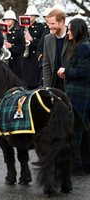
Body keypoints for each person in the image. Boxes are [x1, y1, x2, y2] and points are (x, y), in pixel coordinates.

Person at [57, 18, 90, 175]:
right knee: (82, 132)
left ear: (77, 30)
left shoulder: (83, 48)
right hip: (79, 94)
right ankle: (84, 165)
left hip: (79, 96)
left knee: (76, 132)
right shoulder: (81, 46)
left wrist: (65, 72)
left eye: (70, 29)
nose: (68, 32)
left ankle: (75, 167)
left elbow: (84, 72)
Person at [42, 8, 72, 91]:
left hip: (70, 84)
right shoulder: (47, 38)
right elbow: (46, 64)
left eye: (52, 23)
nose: (50, 27)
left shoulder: (72, 36)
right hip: (55, 85)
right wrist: (46, 88)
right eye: (48, 24)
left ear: (61, 22)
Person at [21, 5, 45, 89]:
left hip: (34, 59)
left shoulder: (40, 27)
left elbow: (42, 43)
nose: (29, 17)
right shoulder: (22, 28)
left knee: (34, 83)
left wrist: (32, 39)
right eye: (28, 16)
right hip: (24, 59)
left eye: (31, 16)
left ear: (35, 16)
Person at [2, 8, 25, 80]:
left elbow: (22, 49)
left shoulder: (19, 33)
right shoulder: (0, 33)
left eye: (9, 19)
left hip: (14, 64)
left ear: (14, 21)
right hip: (2, 63)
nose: (7, 21)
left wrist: (11, 46)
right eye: (6, 19)